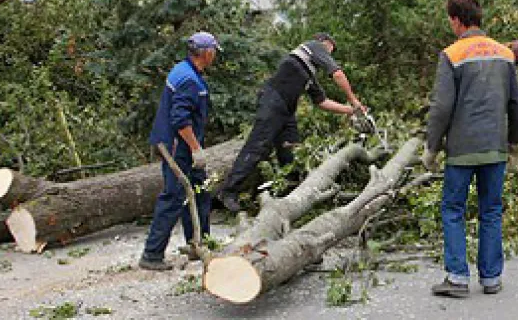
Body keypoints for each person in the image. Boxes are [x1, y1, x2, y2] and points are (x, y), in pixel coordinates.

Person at [423, 0, 518, 298]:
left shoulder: (452, 54)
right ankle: (491, 278)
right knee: (491, 210)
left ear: (457, 20)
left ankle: (456, 278)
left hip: (462, 150)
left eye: (450, 20)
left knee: (453, 209)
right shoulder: (505, 54)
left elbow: (441, 107)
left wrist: (432, 147)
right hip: (495, 147)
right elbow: (516, 103)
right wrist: (516, 144)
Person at [214, 33, 367, 213]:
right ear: (324, 42)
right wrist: (353, 100)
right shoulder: (314, 46)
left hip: (287, 111)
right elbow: (338, 74)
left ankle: (289, 198)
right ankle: (228, 192)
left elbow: (322, 102)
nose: (330, 54)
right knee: (258, 145)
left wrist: (350, 110)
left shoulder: (309, 74)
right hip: (273, 101)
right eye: (331, 49)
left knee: (290, 152)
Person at [140, 31, 220, 271]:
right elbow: (180, 119)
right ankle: (151, 255)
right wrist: (196, 149)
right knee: (174, 196)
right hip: (177, 147)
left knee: (199, 190)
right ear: (206, 53)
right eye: (214, 51)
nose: (215, 56)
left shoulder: (183, 70)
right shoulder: (189, 80)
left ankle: (199, 244)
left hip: (181, 144)